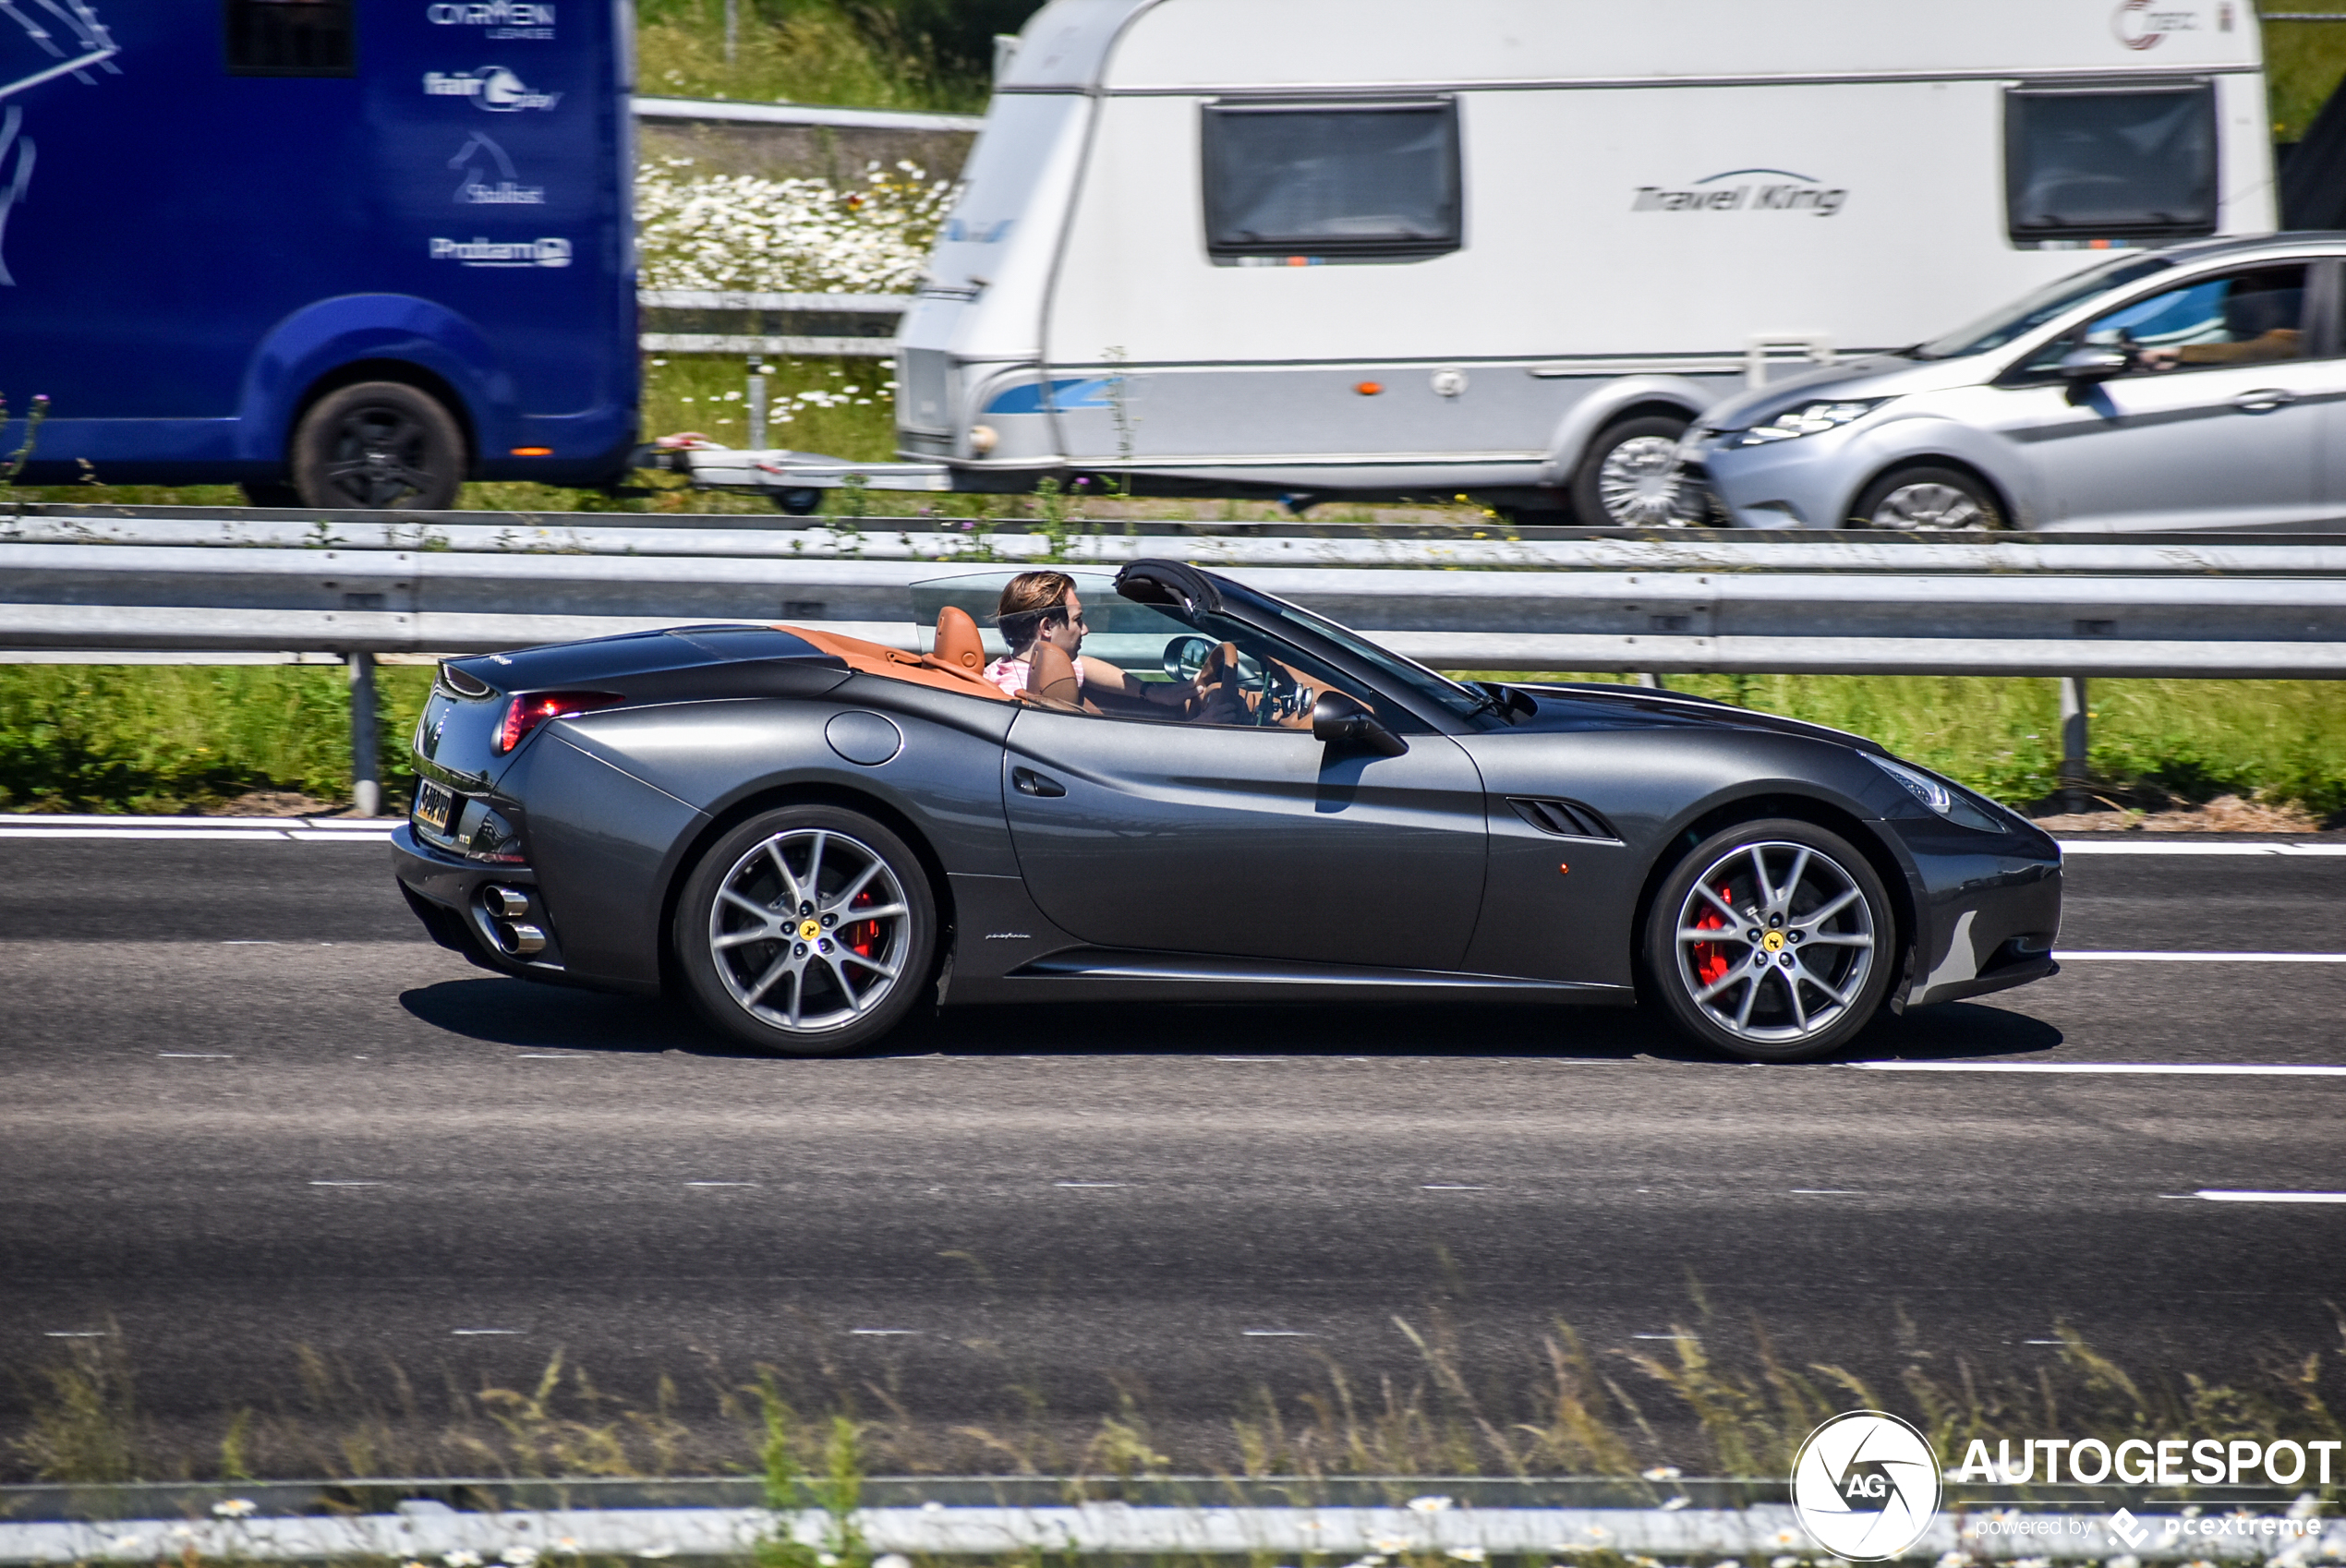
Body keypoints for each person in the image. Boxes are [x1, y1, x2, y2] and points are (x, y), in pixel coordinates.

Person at [985, 571, 1236, 719]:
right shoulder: (1023, 702)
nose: (1085, 630)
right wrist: (1200, 731)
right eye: (1077, 620)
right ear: (1047, 627)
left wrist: (1152, 691)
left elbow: (1082, 666)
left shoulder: (1015, 668)